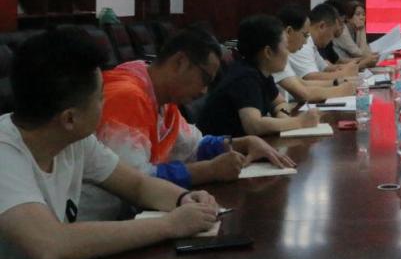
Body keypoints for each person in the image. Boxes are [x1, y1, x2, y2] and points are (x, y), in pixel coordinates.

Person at [0, 29, 219, 259]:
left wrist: (183, 199)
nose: (106, 103)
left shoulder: (75, 140)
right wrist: (171, 225)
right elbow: (52, 245)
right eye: (100, 97)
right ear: (69, 118)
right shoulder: (5, 153)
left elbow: (137, 185)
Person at [82, 27, 294, 220]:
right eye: (205, 79)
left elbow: (192, 146)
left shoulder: (160, 95)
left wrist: (241, 144)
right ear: (180, 62)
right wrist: (209, 170)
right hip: (98, 222)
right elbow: (137, 181)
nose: (204, 91)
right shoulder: (127, 96)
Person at [197, 15, 321, 137]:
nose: (288, 52)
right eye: (285, 46)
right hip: (219, 148)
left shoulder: (261, 71)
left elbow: (279, 103)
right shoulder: (245, 78)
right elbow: (254, 126)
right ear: (268, 52)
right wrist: (299, 122)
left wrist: (282, 115)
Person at [275, 4, 359, 102]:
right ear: (289, 32)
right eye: (305, 35)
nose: (305, 41)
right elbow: (305, 90)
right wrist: (341, 90)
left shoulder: (284, 53)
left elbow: (302, 83)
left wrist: (338, 82)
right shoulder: (276, 55)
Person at [331, 0, 379, 69]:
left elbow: (366, 52)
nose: (362, 18)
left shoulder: (354, 30)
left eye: (363, 14)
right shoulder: (342, 31)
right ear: (348, 18)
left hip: (350, 66)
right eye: (358, 14)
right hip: (340, 67)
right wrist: (362, 29)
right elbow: (361, 54)